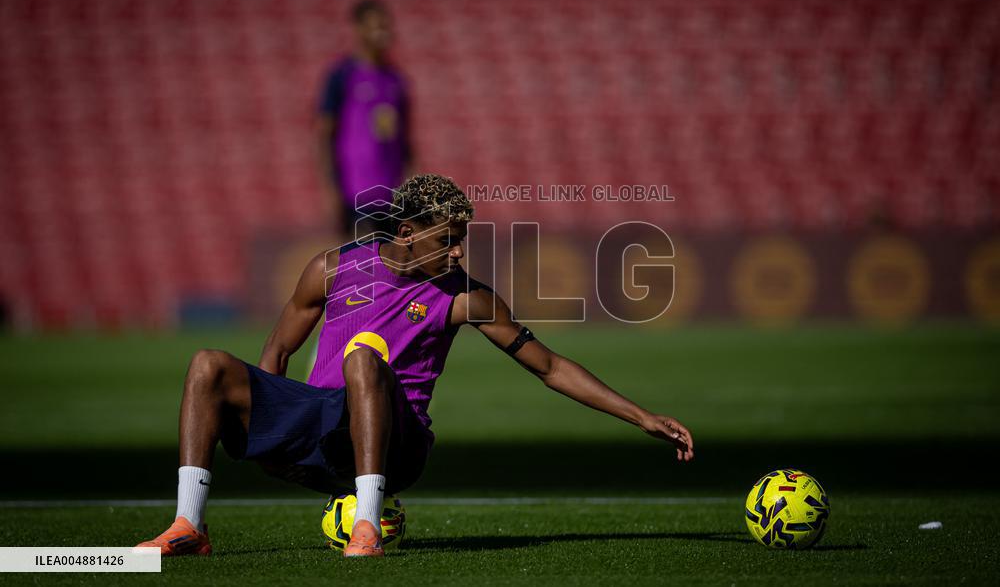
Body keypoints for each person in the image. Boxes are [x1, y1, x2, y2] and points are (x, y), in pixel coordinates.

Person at [136, 174, 694, 558]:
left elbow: (548, 366)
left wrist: (641, 416)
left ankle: (366, 526)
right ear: (407, 233)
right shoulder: (331, 269)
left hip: (398, 444)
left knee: (363, 355)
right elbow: (275, 353)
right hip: (324, 428)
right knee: (208, 364)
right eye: (448, 241)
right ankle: (189, 526)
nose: (458, 253)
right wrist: (279, 430)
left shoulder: (465, 296)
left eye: (462, 241)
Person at [316, 0, 412, 238]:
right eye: (375, 25)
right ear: (358, 29)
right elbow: (324, 132)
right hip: (356, 189)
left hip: (392, 190)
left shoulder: (396, 80)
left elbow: (404, 137)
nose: (383, 32)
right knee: (362, 263)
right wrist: (331, 188)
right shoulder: (341, 76)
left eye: (385, 25)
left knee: (392, 265)